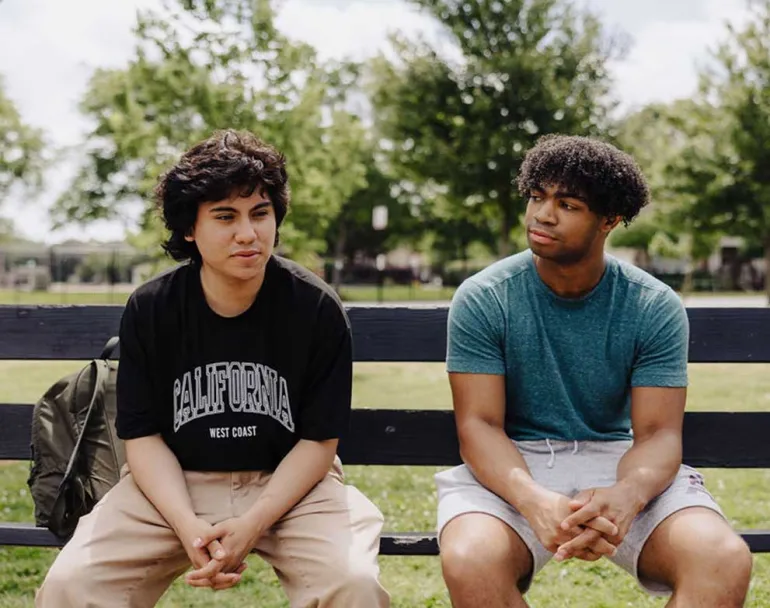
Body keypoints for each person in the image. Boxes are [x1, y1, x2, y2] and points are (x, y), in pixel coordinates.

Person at [36, 130, 390, 608]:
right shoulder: (152, 308)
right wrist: (184, 522)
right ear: (190, 229)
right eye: (225, 216)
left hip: (291, 485)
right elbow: (142, 438)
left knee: (353, 584)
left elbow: (318, 442)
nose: (248, 233)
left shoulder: (316, 308)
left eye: (260, 213)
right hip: (170, 486)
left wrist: (254, 522)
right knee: (69, 588)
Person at [436, 134, 752, 607]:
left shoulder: (653, 305)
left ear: (610, 220)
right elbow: (479, 426)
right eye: (537, 197)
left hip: (620, 460)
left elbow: (657, 434)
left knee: (722, 559)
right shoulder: (486, 297)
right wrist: (534, 501)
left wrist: (627, 495)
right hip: (514, 464)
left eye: (567, 204)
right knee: (470, 558)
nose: (542, 214)